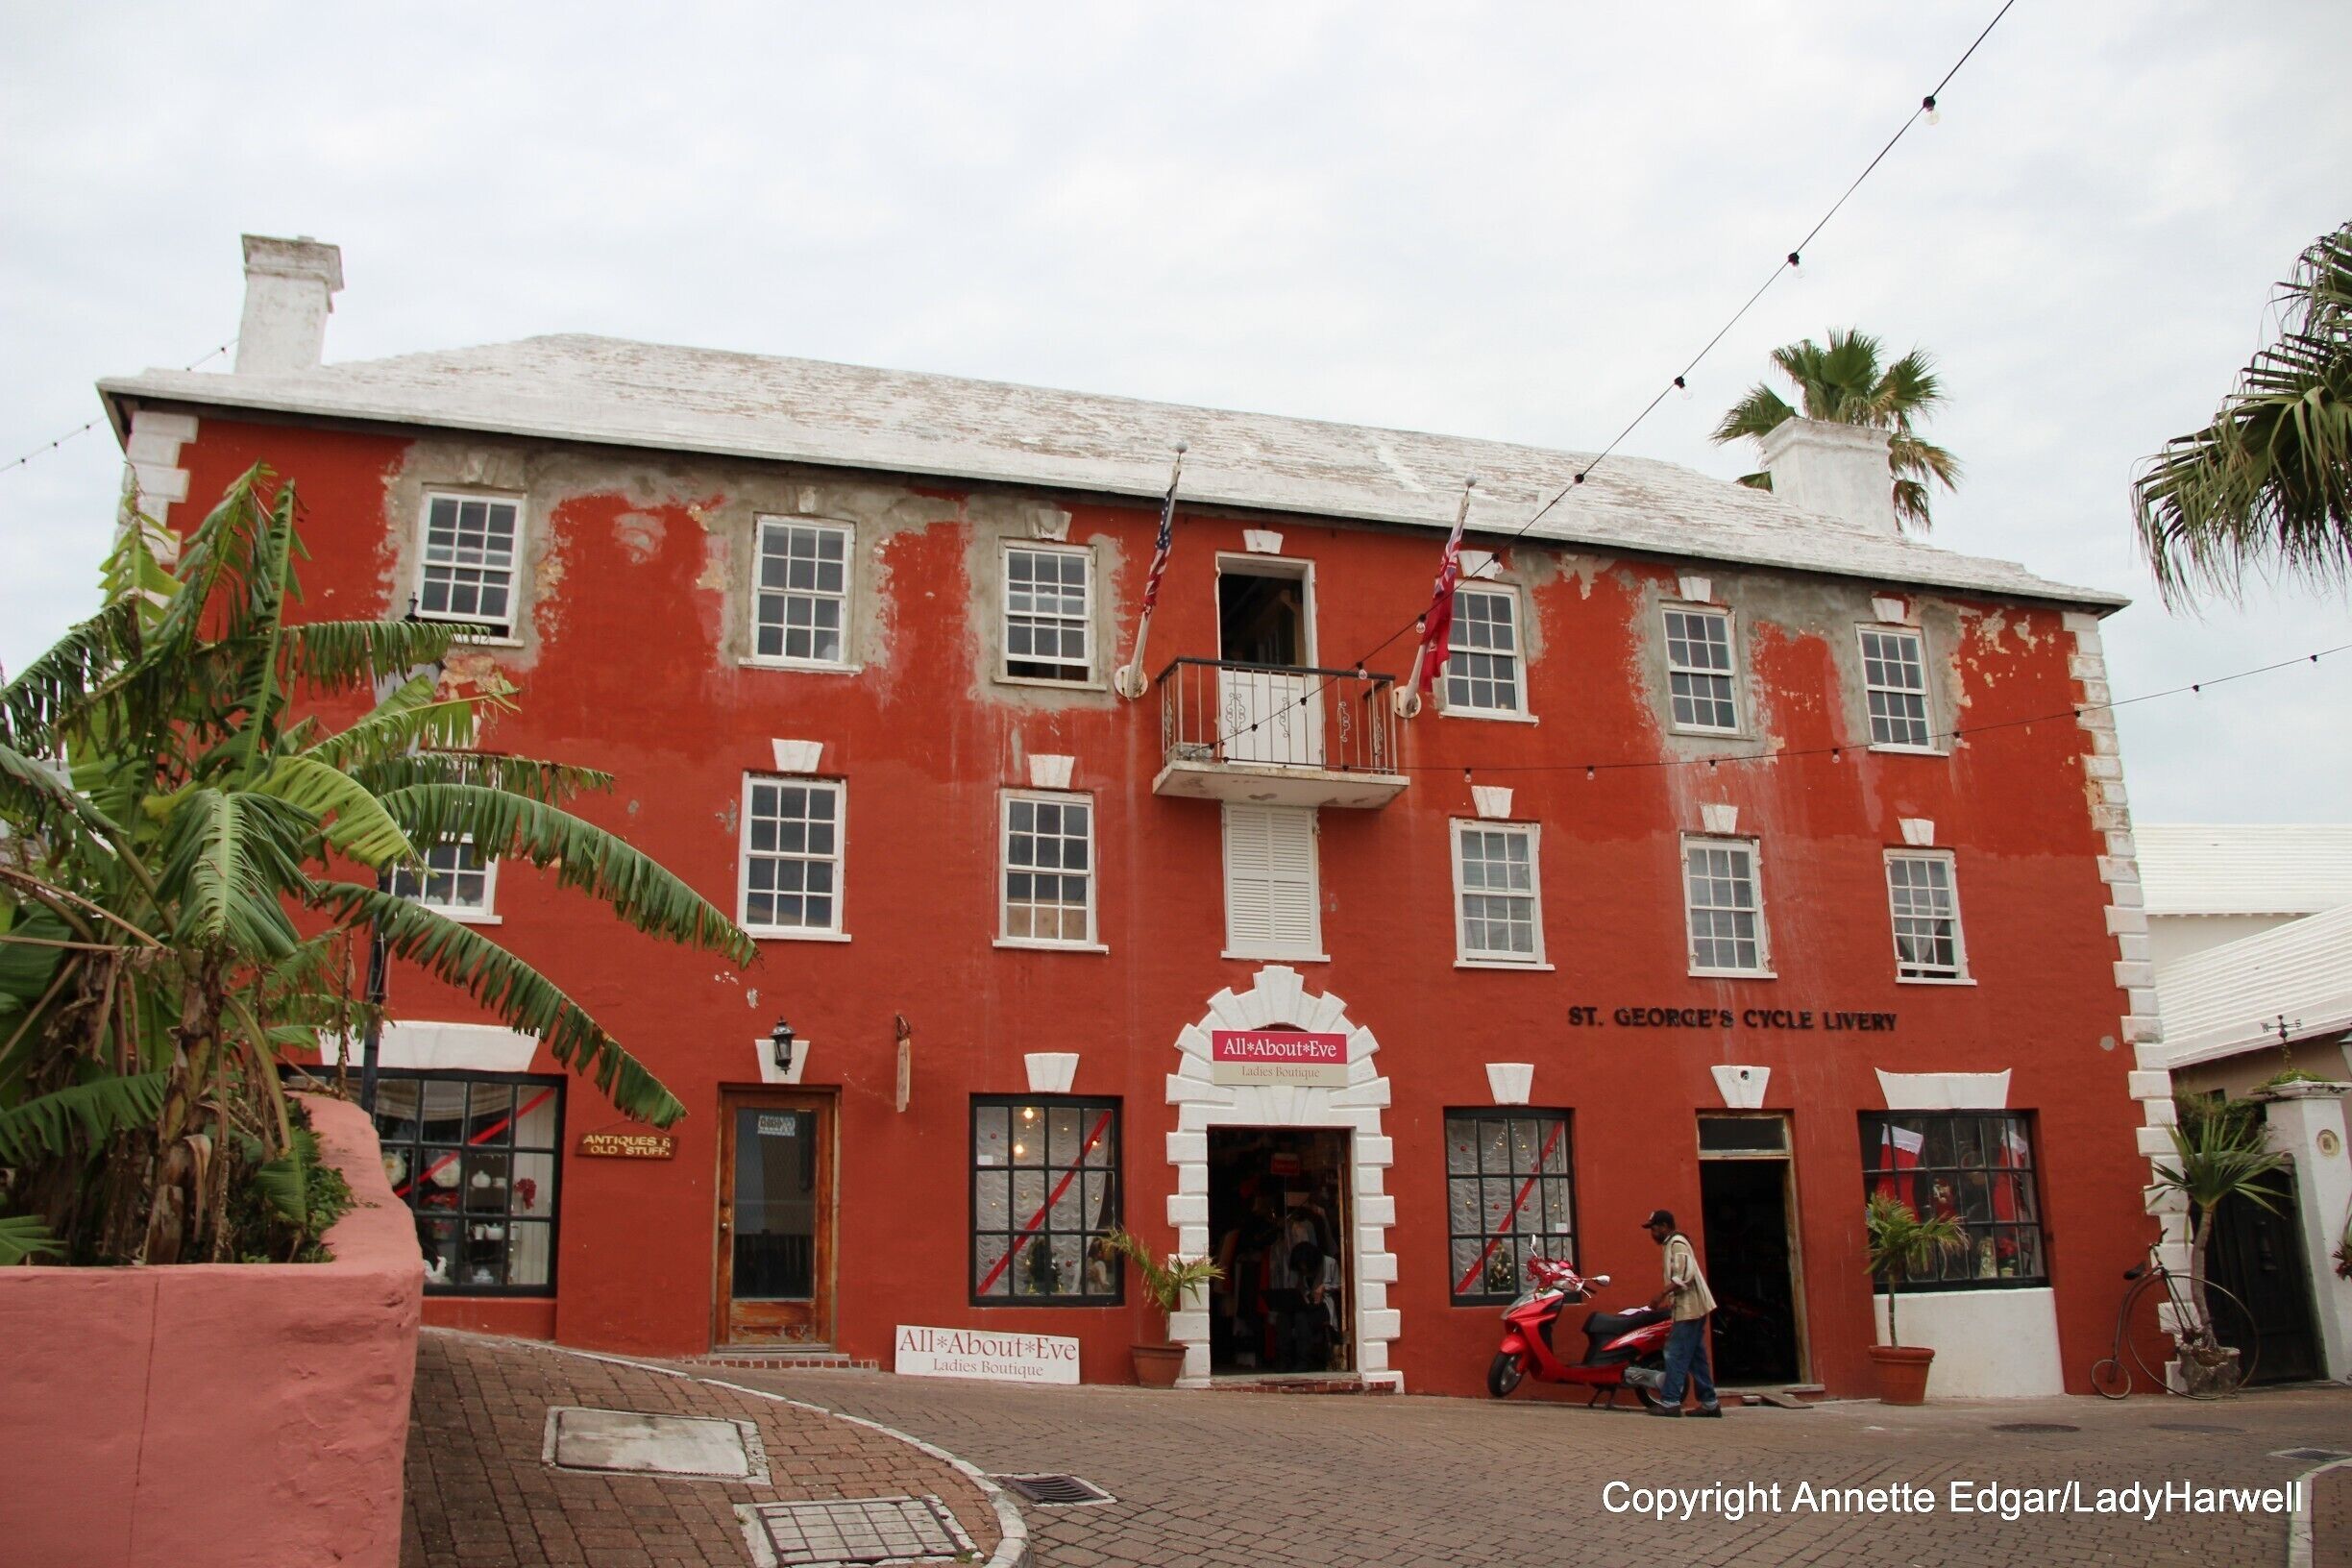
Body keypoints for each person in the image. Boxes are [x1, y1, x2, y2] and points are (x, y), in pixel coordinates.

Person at [1642, 1208, 1722, 1418]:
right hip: (1690, 1307)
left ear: (1665, 1227)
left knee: (1674, 1352)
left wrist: (1660, 1295)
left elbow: (1684, 1276)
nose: (1653, 1233)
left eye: (1655, 1228)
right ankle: (1710, 1403)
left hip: (1691, 1307)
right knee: (1696, 1357)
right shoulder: (1672, 1243)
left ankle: (1670, 1402)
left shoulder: (1677, 1243)